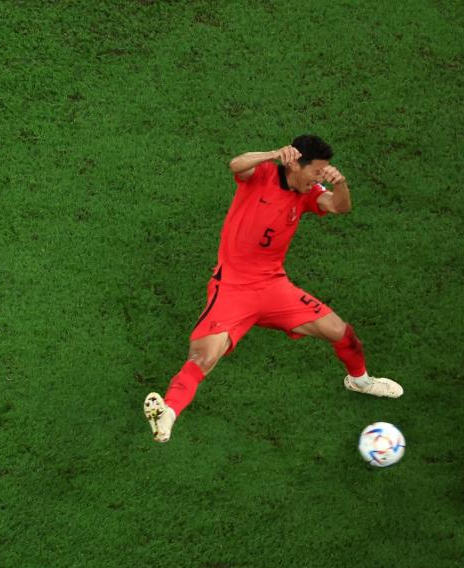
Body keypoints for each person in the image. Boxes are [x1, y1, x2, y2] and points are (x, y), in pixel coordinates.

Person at [143, 135, 402, 443]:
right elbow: (236, 164)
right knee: (203, 358)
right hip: (233, 288)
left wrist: (340, 182)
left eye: (324, 172)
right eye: (317, 171)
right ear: (295, 163)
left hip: (273, 287)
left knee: (340, 330)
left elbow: (339, 206)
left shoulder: (308, 193)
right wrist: (273, 153)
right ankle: (168, 413)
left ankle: (359, 381)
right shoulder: (263, 174)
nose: (320, 177)